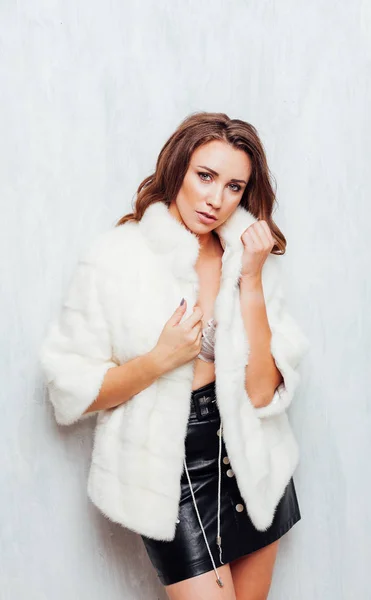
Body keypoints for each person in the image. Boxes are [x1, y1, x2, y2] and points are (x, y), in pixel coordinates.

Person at [40, 111, 310, 599]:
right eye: (205, 176)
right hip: (171, 467)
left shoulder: (249, 258)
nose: (216, 199)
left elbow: (262, 392)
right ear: (177, 168)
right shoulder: (116, 259)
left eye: (234, 186)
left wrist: (250, 279)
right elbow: (67, 389)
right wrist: (158, 361)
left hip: (251, 452)